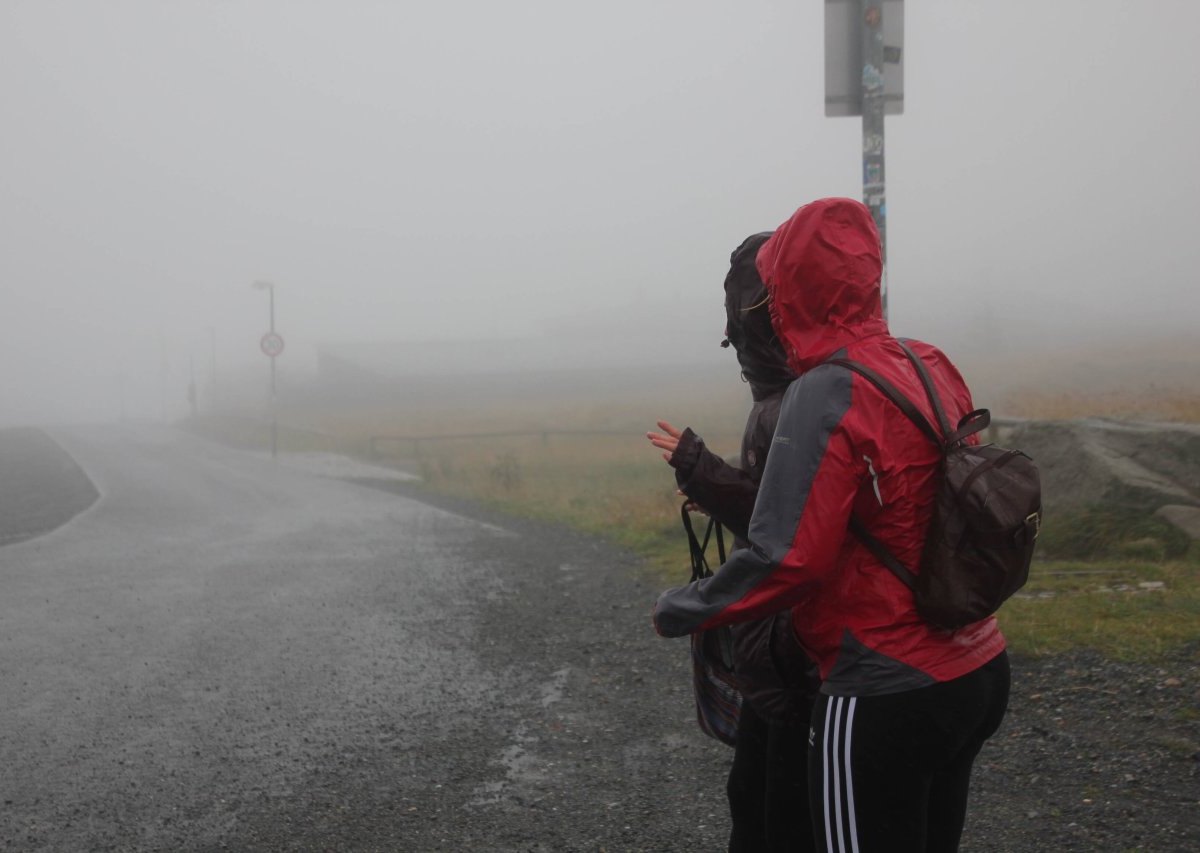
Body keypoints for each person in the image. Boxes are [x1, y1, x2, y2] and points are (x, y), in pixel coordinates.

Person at [652, 198, 1010, 853]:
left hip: (883, 681)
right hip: (977, 665)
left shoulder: (823, 390)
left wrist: (685, 606)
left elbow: (791, 557)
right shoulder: (928, 360)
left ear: (785, 289)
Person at [647, 232, 818, 852]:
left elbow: (790, 534)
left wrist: (702, 470)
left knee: (773, 816)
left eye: (739, 331)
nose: (738, 349)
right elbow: (787, 511)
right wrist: (716, 485)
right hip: (785, 651)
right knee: (756, 802)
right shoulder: (799, 395)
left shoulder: (795, 404)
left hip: (797, 654)